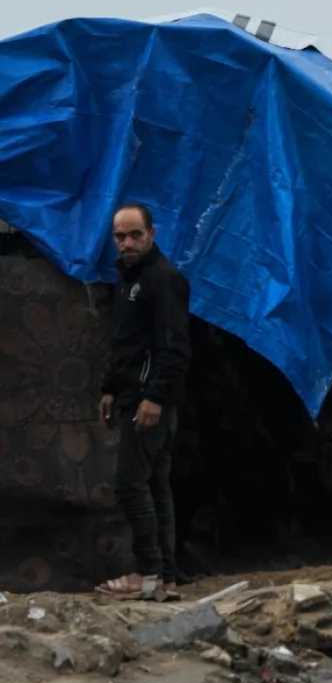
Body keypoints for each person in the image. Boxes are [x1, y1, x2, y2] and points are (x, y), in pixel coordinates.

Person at [96, 203, 191, 599]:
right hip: (134, 394)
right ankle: (163, 578)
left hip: (150, 403)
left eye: (135, 234)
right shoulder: (127, 278)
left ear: (152, 234)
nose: (127, 242)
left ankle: (147, 573)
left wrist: (154, 398)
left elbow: (174, 347)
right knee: (155, 486)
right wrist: (110, 387)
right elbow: (129, 343)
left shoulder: (162, 278)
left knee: (131, 484)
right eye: (120, 236)